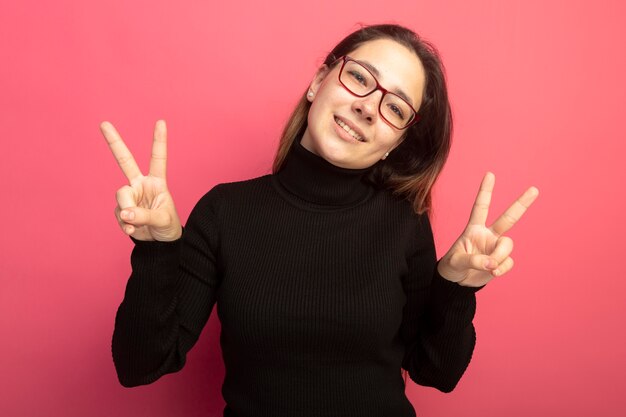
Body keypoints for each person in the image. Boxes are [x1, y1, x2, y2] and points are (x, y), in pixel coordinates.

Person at [102, 24, 538, 417]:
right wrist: (157, 248)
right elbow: (139, 365)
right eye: (360, 78)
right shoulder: (224, 211)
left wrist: (455, 288)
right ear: (317, 82)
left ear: (395, 143)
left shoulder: (404, 224)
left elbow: (436, 373)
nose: (369, 107)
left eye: (397, 109)